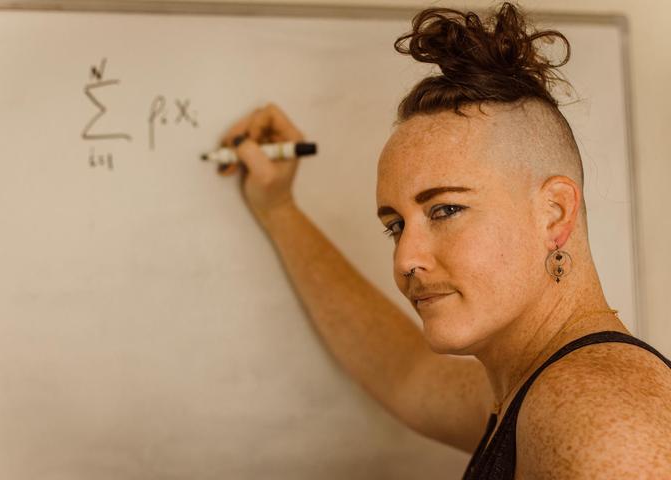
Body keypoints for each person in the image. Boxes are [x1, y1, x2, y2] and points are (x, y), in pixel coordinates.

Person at [214, 3, 671, 478]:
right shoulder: (528, 385)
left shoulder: (599, 416)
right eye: (396, 225)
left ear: (554, 212)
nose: (405, 260)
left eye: (445, 210)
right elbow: (405, 373)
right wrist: (278, 208)